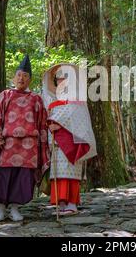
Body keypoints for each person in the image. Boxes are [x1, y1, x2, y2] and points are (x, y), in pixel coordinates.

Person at [0, 55, 50, 221]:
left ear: (30, 80)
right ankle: (0, 209)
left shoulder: (36, 99)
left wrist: (42, 145)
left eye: (25, 76)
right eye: (19, 75)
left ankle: (15, 209)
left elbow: (42, 123)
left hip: (29, 146)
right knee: (3, 176)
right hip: (8, 143)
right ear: (14, 77)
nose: (21, 78)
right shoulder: (5, 95)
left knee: (22, 178)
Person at [41, 63, 97, 216]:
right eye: (58, 78)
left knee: (70, 171)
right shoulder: (53, 98)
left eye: (65, 77)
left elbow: (77, 115)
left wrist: (58, 125)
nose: (61, 81)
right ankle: (62, 203)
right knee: (58, 172)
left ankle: (72, 204)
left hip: (71, 140)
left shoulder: (76, 96)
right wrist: (50, 124)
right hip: (56, 141)